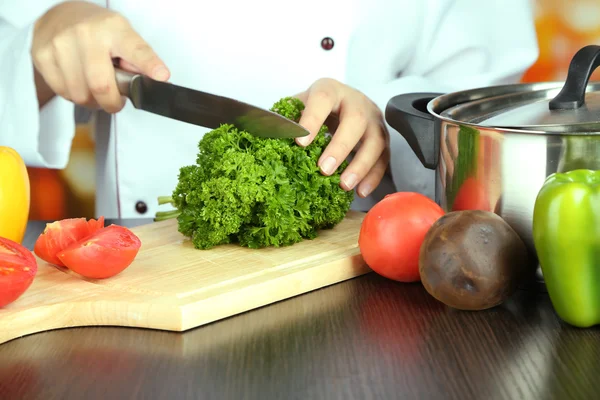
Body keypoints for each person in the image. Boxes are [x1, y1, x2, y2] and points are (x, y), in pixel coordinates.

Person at [0, 0, 539, 219]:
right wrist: (39, 42)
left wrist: (391, 114)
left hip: (363, 283)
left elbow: (489, 86)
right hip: (143, 276)